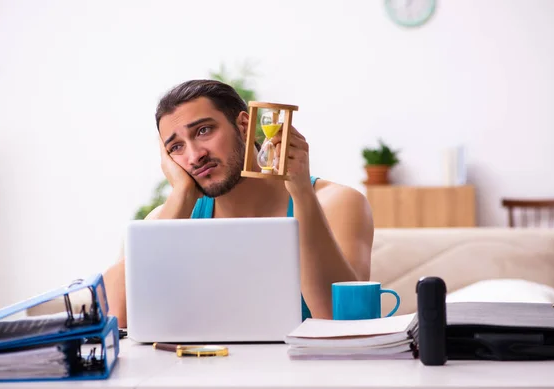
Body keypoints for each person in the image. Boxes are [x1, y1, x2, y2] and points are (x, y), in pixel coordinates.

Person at [103, 79, 374, 327]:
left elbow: (343, 322)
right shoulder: (167, 218)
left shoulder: (337, 203)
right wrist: (181, 197)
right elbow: (119, 323)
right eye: (176, 147)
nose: (195, 156)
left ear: (244, 125)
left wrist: (301, 192)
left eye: (203, 131)